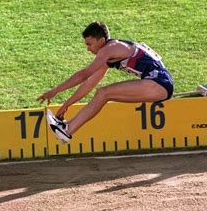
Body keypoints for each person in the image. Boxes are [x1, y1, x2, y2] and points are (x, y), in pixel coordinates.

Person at [38, 21, 174, 143]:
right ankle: (67, 129)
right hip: (159, 85)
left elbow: (84, 75)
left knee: (104, 93)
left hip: (158, 83)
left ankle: (67, 129)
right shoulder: (110, 54)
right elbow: (89, 84)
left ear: (102, 40)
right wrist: (67, 104)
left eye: (89, 44)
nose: (88, 48)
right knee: (102, 93)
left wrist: (54, 91)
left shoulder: (110, 49)